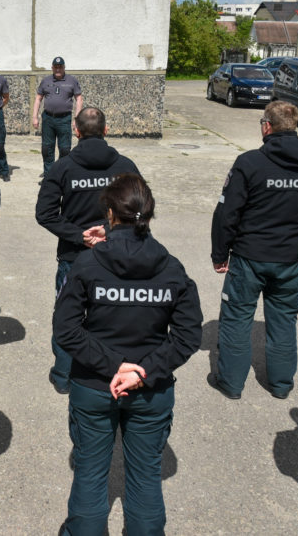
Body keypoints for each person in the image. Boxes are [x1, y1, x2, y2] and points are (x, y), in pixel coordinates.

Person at [53, 173, 202, 535]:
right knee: (146, 478)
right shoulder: (172, 269)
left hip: (94, 385)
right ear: (149, 215)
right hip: (149, 389)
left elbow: (66, 330)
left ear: (109, 214)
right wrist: (140, 371)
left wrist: (114, 366)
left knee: (89, 473)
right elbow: (187, 335)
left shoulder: (87, 266)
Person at [209, 100, 298, 401]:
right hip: (289, 259)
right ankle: (280, 384)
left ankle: (231, 382)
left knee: (237, 319)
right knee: (283, 322)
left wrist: (220, 254)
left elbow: (227, 213)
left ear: (267, 126)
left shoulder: (249, 163)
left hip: (248, 258)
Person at [35, 107, 140, 394]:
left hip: (75, 256)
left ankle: (64, 376)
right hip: (117, 256)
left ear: (76, 132)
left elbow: (44, 214)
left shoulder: (62, 167)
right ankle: (108, 372)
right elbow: (141, 211)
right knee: (112, 314)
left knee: (68, 316)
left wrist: (78, 236)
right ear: (106, 130)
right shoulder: (126, 165)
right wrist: (111, 230)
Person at [32, 57, 83, 176]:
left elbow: (79, 99)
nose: (58, 69)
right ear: (52, 68)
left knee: (65, 149)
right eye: (56, 67)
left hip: (64, 119)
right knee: (47, 148)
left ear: (64, 67)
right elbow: (38, 98)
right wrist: (35, 117)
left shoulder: (72, 81)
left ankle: (61, 174)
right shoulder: (46, 81)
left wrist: (77, 119)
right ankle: (49, 175)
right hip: (48, 119)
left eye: (60, 67)